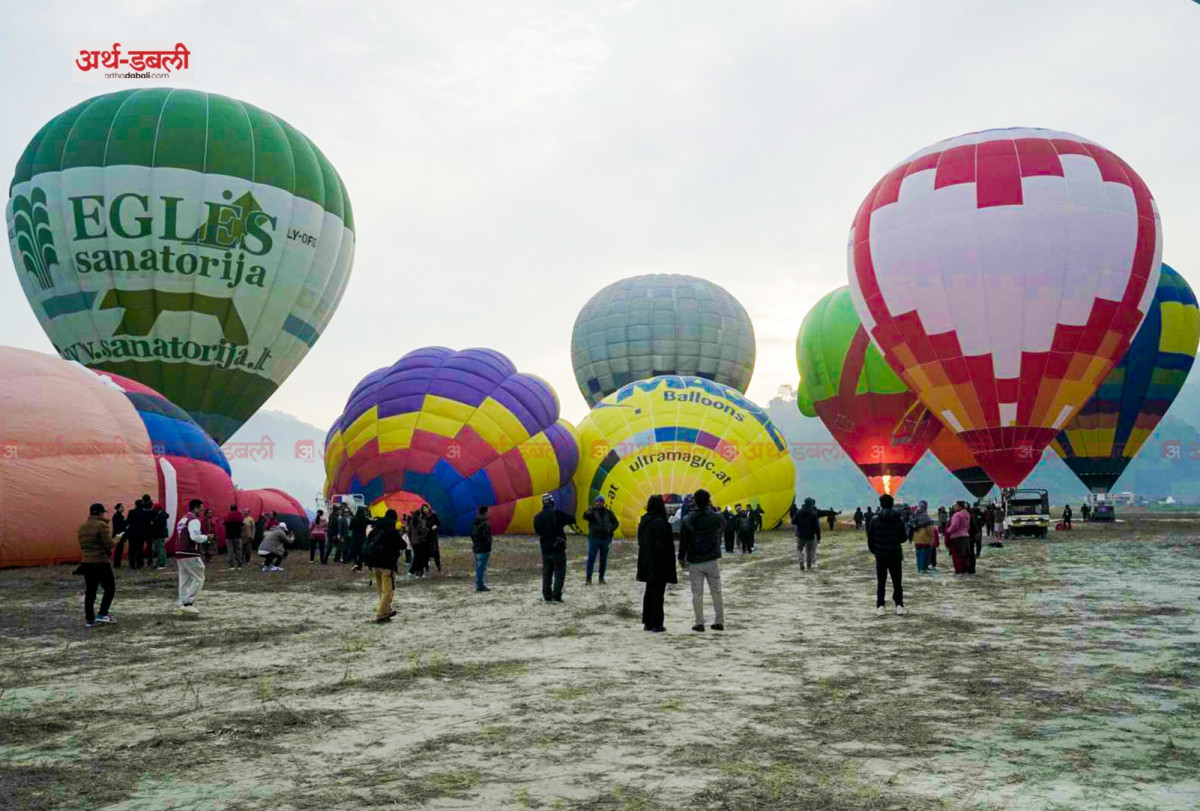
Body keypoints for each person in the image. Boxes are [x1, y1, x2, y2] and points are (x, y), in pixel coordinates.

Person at [679, 489, 725, 632]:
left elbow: (684, 541)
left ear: (695, 501)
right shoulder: (715, 517)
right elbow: (724, 525)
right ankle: (719, 621)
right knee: (716, 591)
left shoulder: (688, 519)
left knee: (697, 593)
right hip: (712, 559)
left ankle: (699, 623)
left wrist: (681, 557)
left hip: (695, 561)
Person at [636, 495, 676, 633]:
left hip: (646, 562)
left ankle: (647, 621)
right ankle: (657, 623)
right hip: (659, 563)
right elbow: (662, 545)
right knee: (658, 593)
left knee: (649, 592)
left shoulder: (644, 521)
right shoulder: (660, 522)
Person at [867, 494, 907, 616]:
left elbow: (870, 539)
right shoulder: (898, 519)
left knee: (881, 581)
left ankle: (880, 606)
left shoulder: (874, 520)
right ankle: (899, 605)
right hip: (895, 554)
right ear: (892, 504)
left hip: (881, 556)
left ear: (881, 504)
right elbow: (903, 538)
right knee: (897, 581)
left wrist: (876, 551)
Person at [77, 503, 116, 626]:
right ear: (100, 513)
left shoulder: (82, 527)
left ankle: (89, 619)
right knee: (109, 588)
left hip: (87, 563)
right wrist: (117, 539)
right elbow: (109, 544)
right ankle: (102, 613)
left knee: (91, 591)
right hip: (100, 562)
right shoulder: (101, 525)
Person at [365, 510, 405, 622]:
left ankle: (386, 610)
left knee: (381, 590)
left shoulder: (376, 530)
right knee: (388, 591)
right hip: (387, 565)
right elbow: (403, 545)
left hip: (374, 564)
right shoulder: (392, 531)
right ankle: (381, 613)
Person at [533, 494, 574, 603]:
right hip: (558, 548)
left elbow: (537, 531)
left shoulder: (537, 517)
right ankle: (556, 596)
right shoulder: (557, 514)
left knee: (547, 574)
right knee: (559, 573)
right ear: (552, 503)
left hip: (545, 549)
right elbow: (572, 519)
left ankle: (546, 596)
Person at [175, 498, 211, 613]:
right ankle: (188, 602)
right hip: (190, 552)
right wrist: (206, 538)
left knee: (184, 579)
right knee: (198, 577)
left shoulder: (183, 519)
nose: (202, 511)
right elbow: (194, 537)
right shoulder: (194, 520)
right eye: (201, 509)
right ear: (195, 508)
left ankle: (181, 602)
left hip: (179, 552)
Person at [583, 496, 619, 585]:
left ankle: (601, 578)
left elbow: (616, 522)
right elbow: (585, 517)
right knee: (591, 559)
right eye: (597, 501)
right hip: (594, 538)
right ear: (595, 502)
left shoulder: (608, 512)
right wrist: (588, 511)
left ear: (603, 503)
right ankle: (588, 579)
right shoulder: (592, 512)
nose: (598, 503)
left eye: (600, 501)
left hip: (605, 539)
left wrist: (611, 529)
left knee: (603, 560)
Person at [792, 497, 821, 570]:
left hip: (801, 535)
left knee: (799, 549)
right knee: (809, 551)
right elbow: (817, 527)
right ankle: (809, 566)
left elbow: (793, 521)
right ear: (811, 504)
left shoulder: (798, 512)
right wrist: (818, 537)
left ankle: (801, 560)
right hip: (810, 536)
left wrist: (799, 522)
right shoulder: (814, 514)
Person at [909, 500, 938, 573]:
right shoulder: (926, 516)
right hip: (925, 540)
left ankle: (919, 570)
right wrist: (932, 538)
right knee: (925, 556)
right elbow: (930, 530)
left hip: (917, 540)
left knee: (918, 555)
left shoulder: (915, 516)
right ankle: (923, 570)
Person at [945, 501, 972, 576]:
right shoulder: (967, 514)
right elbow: (968, 527)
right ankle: (964, 572)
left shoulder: (957, 515)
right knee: (964, 556)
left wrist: (947, 531)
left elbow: (954, 526)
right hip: (965, 536)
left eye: (955, 505)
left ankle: (958, 572)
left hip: (957, 538)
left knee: (957, 556)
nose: (954, 507)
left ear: (960, 506)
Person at [125, 496, 152, 570]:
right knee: (140, 549)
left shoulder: (131, 512)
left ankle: (132, 564)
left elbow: (128, 522)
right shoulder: (145, 513)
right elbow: (148, 524)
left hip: (132, 534)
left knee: (132, 549)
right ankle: (139, 563)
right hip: (141, 534)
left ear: (135, 505)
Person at [471, 506, 493, 592]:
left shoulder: (475, 523)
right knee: (481, 567)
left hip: (476, 548)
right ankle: (480, 585)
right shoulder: (485, 524)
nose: (489, 514)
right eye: (488, 512)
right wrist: (488, 544)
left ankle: (480, 584)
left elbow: (472, 535)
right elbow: (486, 536)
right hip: (483, 549)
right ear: (485, 513)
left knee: (479, 567)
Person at [223, 504, 246, 569]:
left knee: (230, 550)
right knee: (238, 550)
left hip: (229, 536)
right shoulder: (239, 515)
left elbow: (224, 523)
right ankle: (239, 565)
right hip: (238, 535)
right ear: (236, 508)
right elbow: (242, 523)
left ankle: (231, 565)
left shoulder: (227, 515)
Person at [422, 505, 442, 574]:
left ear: (428, 508)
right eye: (424, 509)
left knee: (435, 553)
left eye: (426, 508)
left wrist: (435, 526)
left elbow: (439, 524)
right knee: (425, 554)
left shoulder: (433, 515)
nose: (425, 510)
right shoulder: (422, 517)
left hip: (433, 537)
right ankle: (427, 570)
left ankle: (439, 569)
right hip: (425, 537)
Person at [348, 506, 370, 571]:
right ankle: (360, 567)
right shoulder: (364, 519)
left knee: (355, 550)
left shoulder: (354, 519)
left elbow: (350, 528)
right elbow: (371, 522)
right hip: (362, 536)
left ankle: (355, 563)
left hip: (355, 536)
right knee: (361, 551)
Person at [150, 502, 170, 570]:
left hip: (159, 534)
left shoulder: (161, 515)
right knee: (161, 549)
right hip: (161, 534)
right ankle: (160, 562)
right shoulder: (162, 514)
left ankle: (161, 564)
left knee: (160, 549)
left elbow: (160, 525)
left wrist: (153, 524)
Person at [110, 503, 127, 568]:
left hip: (118, 535)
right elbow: (119, 526)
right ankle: (117, 563)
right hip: (119, 535)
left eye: (123, 507)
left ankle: (117, 563)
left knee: (119, 549)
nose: (123, 508)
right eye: (121, 507)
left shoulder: (118, 516)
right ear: (117, 508)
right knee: (118, 549)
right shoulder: (117, 516)